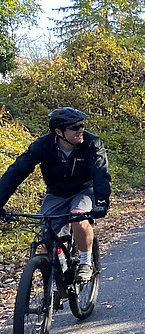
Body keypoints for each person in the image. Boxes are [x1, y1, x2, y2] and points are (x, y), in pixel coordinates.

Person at [0, 107, 110, 282]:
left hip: (84, 191)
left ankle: (85, 262)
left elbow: (100, 173)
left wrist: (102, 201)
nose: (81, 129)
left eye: (81, 125)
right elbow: (17, 171)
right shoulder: (43, 145)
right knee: (46, 237)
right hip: (56, 193)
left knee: (78, 219)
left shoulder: (92, 143)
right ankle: (56, 278)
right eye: (75, 127)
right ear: (59, 132)